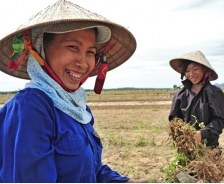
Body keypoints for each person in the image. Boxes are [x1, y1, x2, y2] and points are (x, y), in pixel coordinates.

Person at [0, 0, 161, 182]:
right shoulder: (31, 108)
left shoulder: (76, 107)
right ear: (40, 49)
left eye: (90, 52)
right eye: (72, 47)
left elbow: (90, 170)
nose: (83, 63)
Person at [168, 50, 224, 147]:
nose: (191, 74)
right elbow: (174, 120)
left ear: (204, 69)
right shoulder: (180, 94)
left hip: (209, 149)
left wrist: (202, 133)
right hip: (186, 147)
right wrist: (182, 135)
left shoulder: (215, 93)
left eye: (195, 69)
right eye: (187, 70)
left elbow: (220, 121)